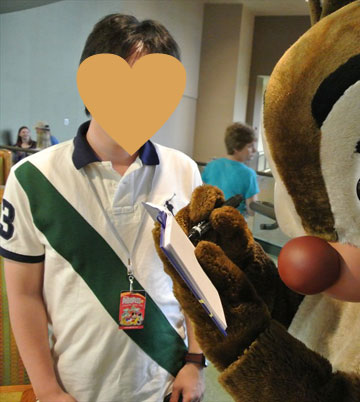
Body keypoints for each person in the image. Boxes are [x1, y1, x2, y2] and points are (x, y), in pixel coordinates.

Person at [1, 14, 205, 402]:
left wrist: (196, 362)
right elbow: (24, 296)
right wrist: (47, 390)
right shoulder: (33, 178)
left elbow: (195, 281)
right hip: (76, 387)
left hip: (167, 382)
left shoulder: (183, 171)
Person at [201, 122, 259, 216]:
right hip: (233, 222)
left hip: (210, 220)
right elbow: (252, 211)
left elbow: (201, 197)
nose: (254, 150)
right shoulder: (249, 174)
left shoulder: (211, 165)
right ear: (237, 147)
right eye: (250, 146)